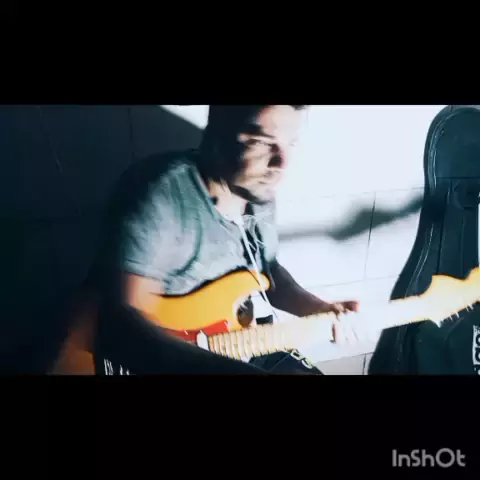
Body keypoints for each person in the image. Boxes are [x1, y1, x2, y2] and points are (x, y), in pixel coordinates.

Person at [92, 105, 359, 374]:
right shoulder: (159, 196)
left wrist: (318, 309)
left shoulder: (258, 189)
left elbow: (268, 273)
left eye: (290, 143)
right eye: (262, 141)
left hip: (242, 344)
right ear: (217, 134)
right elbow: (125, 330)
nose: (281, 164)